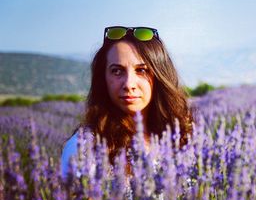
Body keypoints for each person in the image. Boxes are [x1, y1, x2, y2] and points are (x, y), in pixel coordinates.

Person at [61, 26, 193, 177]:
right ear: (103, 79)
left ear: (159, 76)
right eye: (117, 71)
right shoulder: (84, 148)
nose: (129, 84)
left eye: (142, 70)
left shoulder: (182, 137)